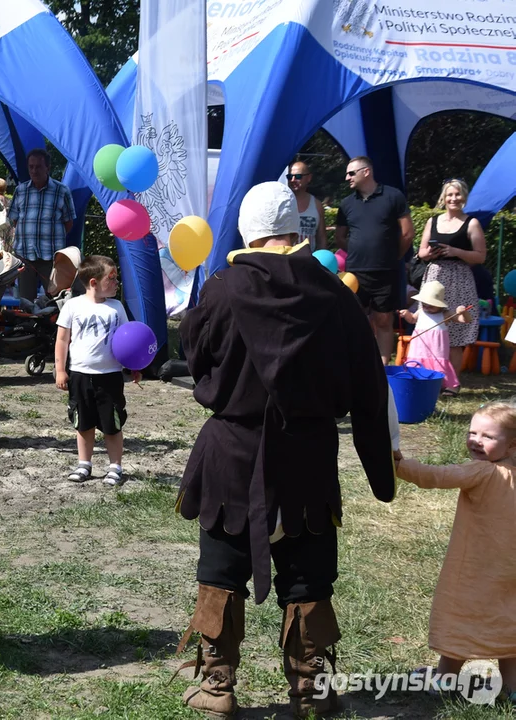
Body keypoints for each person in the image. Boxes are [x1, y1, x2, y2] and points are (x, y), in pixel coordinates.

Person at [176, 182, 395, 718]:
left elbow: (195, 356)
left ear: (247, 231)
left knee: (222, 566)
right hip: (307, 454)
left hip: (233, 448)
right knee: (307, 569)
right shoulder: (333, 294)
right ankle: (311, 684)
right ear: (298, 229)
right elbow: (369, 382)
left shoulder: (222, 290)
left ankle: (217, 685)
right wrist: (380, 465)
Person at [394, 402, 516, 704]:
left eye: (487, 436)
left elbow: (438, 476)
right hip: (508, 570)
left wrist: (398, 465)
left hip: (475, 568)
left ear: (512, 444)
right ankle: (512, 688)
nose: (475, 439)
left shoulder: (482, 472)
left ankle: (444, 680)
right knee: (507, 622)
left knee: (461, 616)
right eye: (472, 431)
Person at [54, 255, 139, 486]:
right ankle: (84, 464)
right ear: (93, 282)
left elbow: (127, 339)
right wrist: (60, 370)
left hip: (110, 376)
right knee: (83, 423)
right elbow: (62, 340)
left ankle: (115, 467)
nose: (116, 283)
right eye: (111, 279)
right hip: (80, 374)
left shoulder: (117, 307)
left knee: (112, 424)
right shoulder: (73, 305)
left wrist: (134, 366)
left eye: (117, 278)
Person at [333, 156, 414, 364]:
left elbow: (407, 234)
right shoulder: (346, 204)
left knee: (384, 319)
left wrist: (391, 257)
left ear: (366, 172)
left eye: (351, 173)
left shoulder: (393, 196)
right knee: (353, 319)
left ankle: (382, 367)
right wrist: (359, 252)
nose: (346, 178)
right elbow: (340, 237)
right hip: (355, 273)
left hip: (385, 271)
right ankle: (354, 363)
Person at [417, 179, 486, 390]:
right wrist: (430, 253)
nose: (453, 198)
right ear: (443, 198)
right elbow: (421, 253)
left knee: (455, 331)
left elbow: (481, 256)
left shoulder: (471, 223)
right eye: (449, 195)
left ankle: (451, 385)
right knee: (430, 326)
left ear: (464, 197)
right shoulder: (433, 222)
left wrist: (456, 252)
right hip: (434, 277)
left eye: (457, 194)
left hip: (459, 279)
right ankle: (428, 379)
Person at [7, 149, 75, 301]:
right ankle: (26, 325)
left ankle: (54, 326)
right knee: (25, 301)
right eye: (31, 166)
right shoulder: (21, 190)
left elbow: (69, 222)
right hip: (25, 255)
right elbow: (15, 220)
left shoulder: (61, 191)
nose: (34, 170)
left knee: (55, 301)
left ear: (47, 168)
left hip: (51, 257)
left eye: (38, 166)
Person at [398, 281, 468, 394]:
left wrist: (463, 313)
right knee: (417, 363)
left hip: (437, 348)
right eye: (424, 304)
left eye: (431, 305)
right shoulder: (421, 311)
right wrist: (406, 314)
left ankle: (446, 385)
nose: (427, 307)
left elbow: (464, 320)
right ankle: (418, 382)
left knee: (439, 365)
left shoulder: (446, 314)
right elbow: (412, 319)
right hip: (419, 347)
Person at [19, 245, 81, 313]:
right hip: (24, 253)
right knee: (26, 302)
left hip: (50, 252)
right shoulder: (44, 300)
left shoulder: (76, 297)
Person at [286, 161, 326, 251]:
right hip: (287, 260)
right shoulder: (282, 202)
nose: (292, 180)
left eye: (298, 176)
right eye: (289, 177)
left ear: (309, 178)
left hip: (309, 261)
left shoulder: (317, 205)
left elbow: (321, 237)